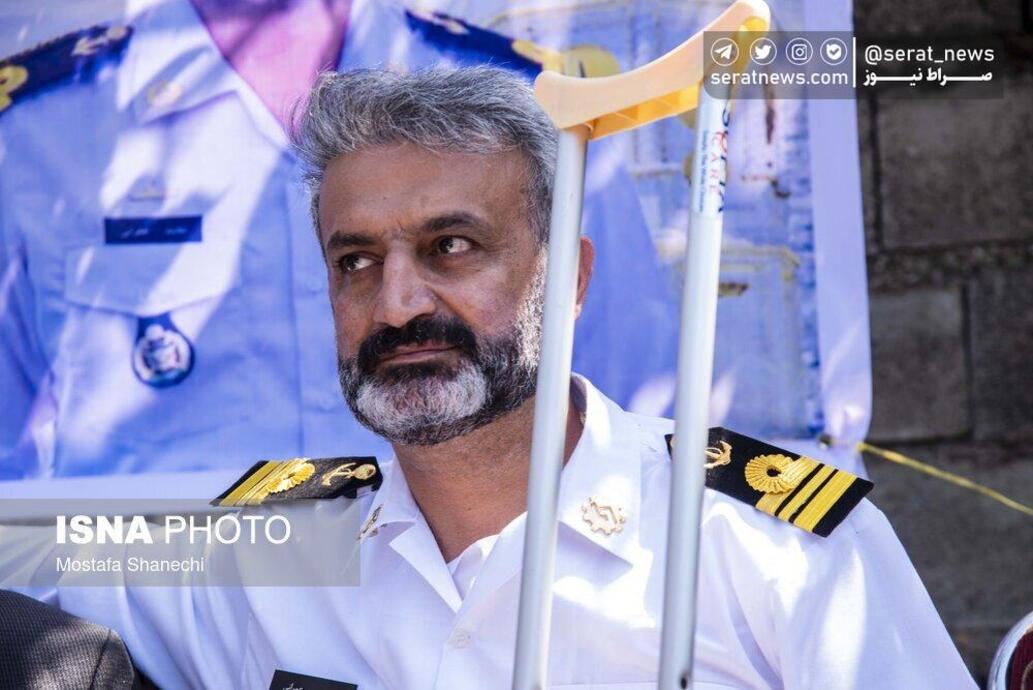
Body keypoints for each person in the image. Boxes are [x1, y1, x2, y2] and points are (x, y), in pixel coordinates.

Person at [0, 67, 975, 689]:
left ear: (570, 277)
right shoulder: (267, 550)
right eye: (355, 261)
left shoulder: (768, 550)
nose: (395, 305)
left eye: (451, 246)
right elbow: (30, 567)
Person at [0, 0, 678, 479]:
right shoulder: (38, 129)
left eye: (450, 245)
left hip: (466, 601)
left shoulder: (540, 101)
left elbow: (631, 420)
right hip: (153, 614)